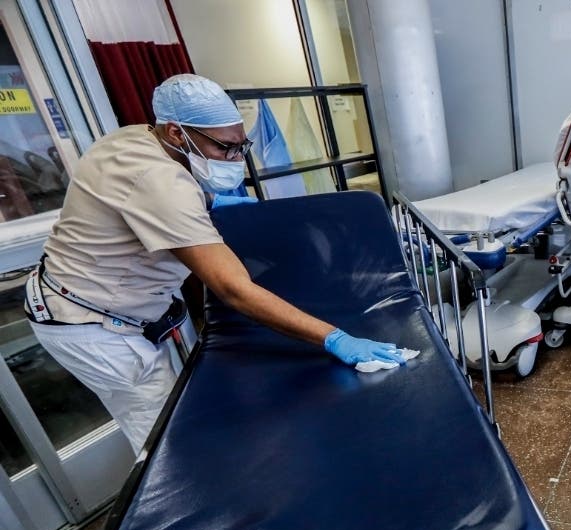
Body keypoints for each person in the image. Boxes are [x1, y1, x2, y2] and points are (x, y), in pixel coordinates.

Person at [25, 74, 405, 453]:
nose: (236, 159)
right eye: (226, 148)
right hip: (92, 324)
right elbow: (233, 289)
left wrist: (207, 203)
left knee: (179, 407)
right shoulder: (159, 181)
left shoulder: (132, 138)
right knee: (164, 440)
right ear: (176, 133)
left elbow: (142, 202)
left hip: (109, 301)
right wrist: (334, 337)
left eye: (243, 145)